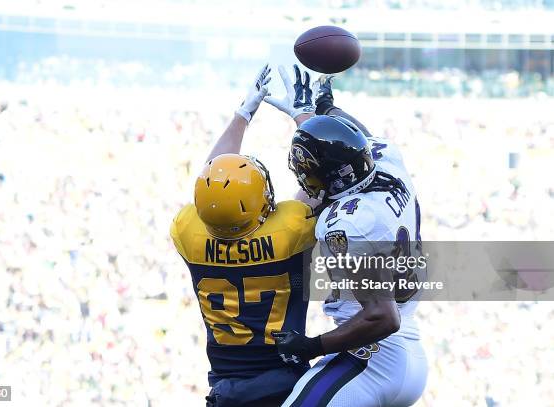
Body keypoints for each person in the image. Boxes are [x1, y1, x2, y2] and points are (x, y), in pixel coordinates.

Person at [264, 66, 428, 406]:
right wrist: (320, 111)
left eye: (308, 174)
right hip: (410, 347)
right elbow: (355, 138)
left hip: (370, 357)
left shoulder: (347, 224)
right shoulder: (387, 163)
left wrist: (313, 345)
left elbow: (382, 316)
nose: (304, 181)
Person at [169, 65, 317, 407]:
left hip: (225, 388)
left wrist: (242, 114)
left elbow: (211, 183)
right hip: (283, 384)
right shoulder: (288, 232)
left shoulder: (189, 235)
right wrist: (303, 115)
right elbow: (323, 176)